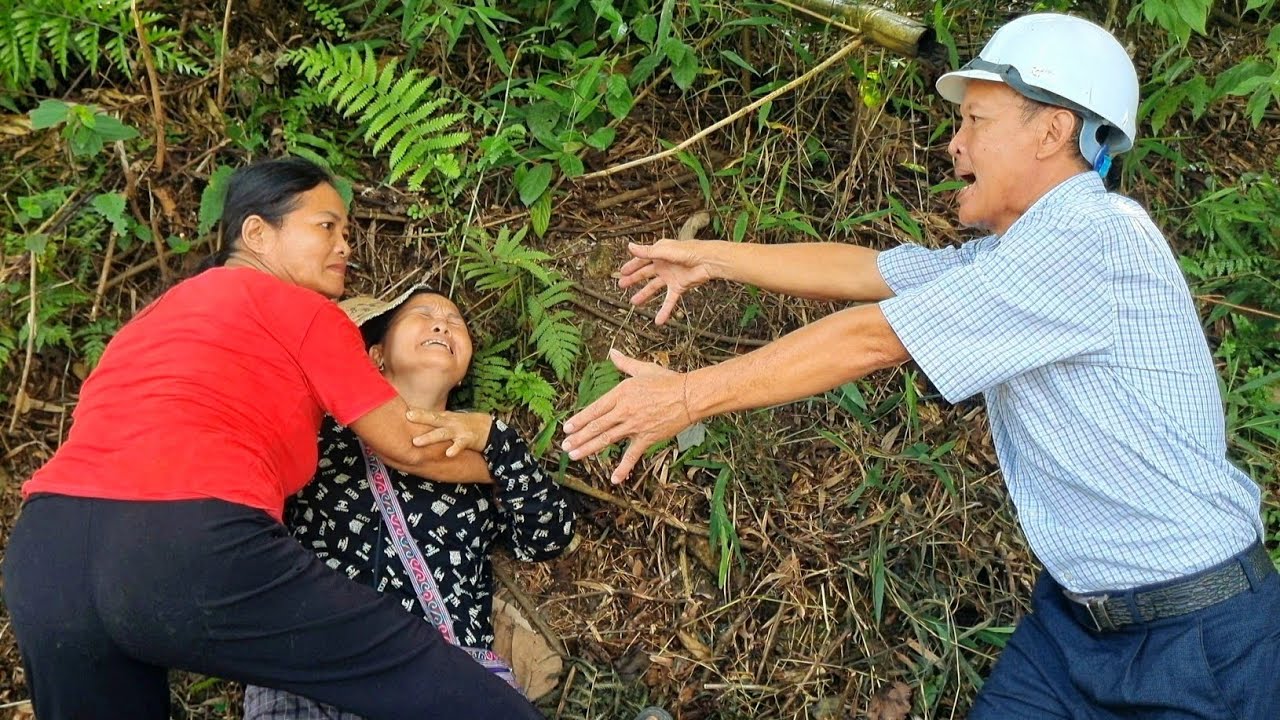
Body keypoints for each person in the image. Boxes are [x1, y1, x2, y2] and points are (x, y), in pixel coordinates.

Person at [560, 13, 1277, 719]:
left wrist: (687, 397)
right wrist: (712, 257)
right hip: (1073, 629)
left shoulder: (1094, 236)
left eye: (976, 121)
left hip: (1202, 641)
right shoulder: (1013, 257)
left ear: (1053, 130)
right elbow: (869, 272)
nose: (955, 143)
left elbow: (874, 338)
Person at [1, 157, 543, 720]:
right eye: (326, 226)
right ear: (257, 233)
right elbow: (409, 445)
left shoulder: (151, 318)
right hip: (187, 541)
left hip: (47, 556)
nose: (345, 245)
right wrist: (500, 463)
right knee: (428, 676)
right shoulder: (304, 311)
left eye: (346, 230)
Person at [243, 285, 575, 718]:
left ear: (463, 371)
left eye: (454, 321)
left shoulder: (484, 456)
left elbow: (547, 537)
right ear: (376, 355)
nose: (441, 325)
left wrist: (495, 438)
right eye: (422, 314)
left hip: (444, 677)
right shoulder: (321, 431)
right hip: (315, 665)